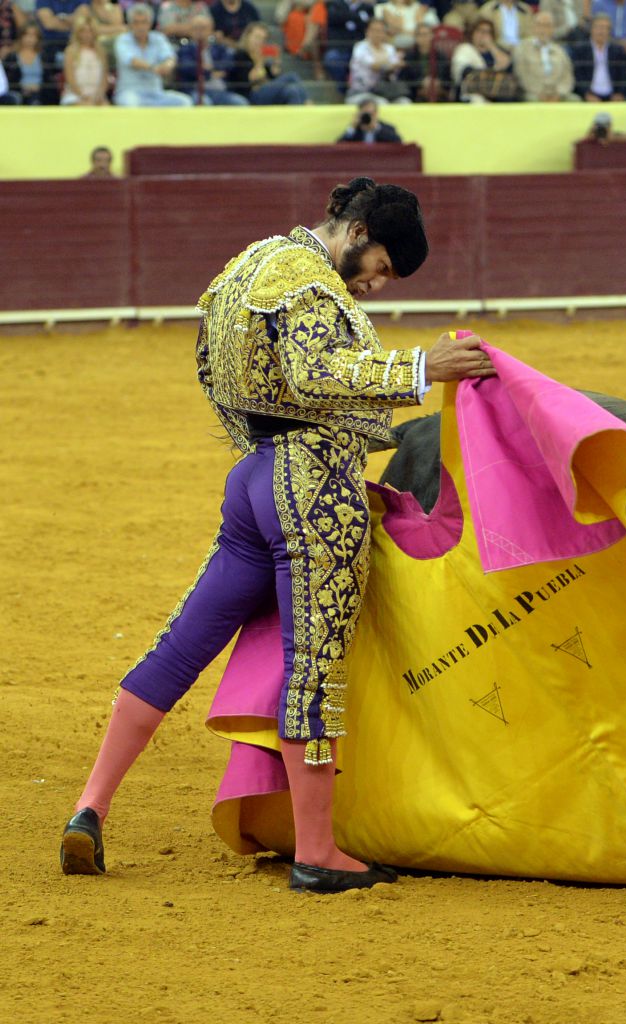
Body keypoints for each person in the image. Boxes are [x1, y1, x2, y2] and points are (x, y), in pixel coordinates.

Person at [59, 177, 496, 894]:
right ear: (357, 231)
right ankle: (318, 851)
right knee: (314, 664)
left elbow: (214, 368)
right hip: (311, 486)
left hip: (254, 477)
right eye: (382, 267)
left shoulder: (249, 265)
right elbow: (315, 370)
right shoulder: (311, 283)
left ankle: (89, 807)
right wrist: (422, 370)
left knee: (180, 646)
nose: (378, 286)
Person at [114, 3, 193, 105]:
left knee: (185, 102)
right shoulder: (123, 40)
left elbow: (170, 58)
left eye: (144, 22)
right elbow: (132, 61)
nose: (140, 27)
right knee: (131, 103)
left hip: (156, 93)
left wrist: (167, 66)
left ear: (150, 24)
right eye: (136, 23)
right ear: (130, 24)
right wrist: (154, 68)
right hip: (130, 92)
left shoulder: (158, 38)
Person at [176, 12, 248, 104]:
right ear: (190, 31)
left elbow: (229, 64)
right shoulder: (185, 50)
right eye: (195, 28)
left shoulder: (220, 48)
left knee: (240, 102)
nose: (199, 31)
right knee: (204, 103)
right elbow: (188, 68)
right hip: (197, 91)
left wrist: (207, 69)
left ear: (211, 30)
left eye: (203, 28)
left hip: (221, 90)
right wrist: (210, 73)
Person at [228, 20, 307, 103]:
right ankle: (309, 104)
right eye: (257, 37)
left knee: (292, 90)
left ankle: (298, 115)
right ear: (247, 36)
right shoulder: (240, 55)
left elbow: (273, 78)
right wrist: (259, 62)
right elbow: (249, 80)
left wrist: (276, 62)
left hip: (266, 91)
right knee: (292, 77)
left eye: (263, 39)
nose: (259, 42)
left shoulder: (261, 56)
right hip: (250, 95)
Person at [513, 9, 577, 101]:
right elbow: (522, 76)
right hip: (534, 93)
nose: (543, 29)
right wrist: (540, 93)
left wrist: (559, 93)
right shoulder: (522, 49)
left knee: (575, 100)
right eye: (540, 25)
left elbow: (568, 77)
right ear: (533, 27)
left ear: (553, 29)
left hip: (558, 94)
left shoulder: (560, 51)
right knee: (532, 100)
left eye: (547, 26)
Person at [451, 16, 517, 101]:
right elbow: (466, 72)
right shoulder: (465, 49)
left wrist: (492, 47)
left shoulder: (496, 51)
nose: (483, 35)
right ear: (473, 33)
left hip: (496, 95)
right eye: (480, 31)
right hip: (471, 93)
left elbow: (507, 67)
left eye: (487, 32)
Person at [346, 17, 407, 102]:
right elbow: (374, 66)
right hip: (361, 92)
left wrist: (391, 64)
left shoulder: (389, 48)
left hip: (386, 91)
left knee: (404, 102)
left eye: (380, 30)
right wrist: (390, 64)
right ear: (367, 31)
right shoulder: (360, 47)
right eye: (374, 30)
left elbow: (398, 65)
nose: (377, 34)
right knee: (381, 103)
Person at [571, 13, 626, 101]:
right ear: (591, 29)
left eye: (605, 28)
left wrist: (620, 94)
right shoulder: (581, 50)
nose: (601, 31)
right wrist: (586, 94)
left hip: (612, 96)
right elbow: (578, 76)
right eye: (598, 27)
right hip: (588, 96)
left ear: (609, 31)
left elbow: (623, 75)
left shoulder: (617, 51)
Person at [323, 0, 374, 87]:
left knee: (370, 61)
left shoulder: (367, 7)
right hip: (340, 47)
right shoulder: (335, 4)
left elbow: (369, 25)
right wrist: (358, 16)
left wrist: (345, 15)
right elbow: (334, 17)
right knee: (332, 58)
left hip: (360, 47)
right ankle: (344, 86)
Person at [3, 21, 57, 102]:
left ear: (38, 38)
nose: (29, 39)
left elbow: (49, 80)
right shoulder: (11, 57)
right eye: (26, 35)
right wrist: (23, 89)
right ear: (21, 36)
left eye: (33, 35)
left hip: (41, 94)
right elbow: (7, 81)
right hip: (19, 94)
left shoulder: (45, 57)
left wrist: (39, 88)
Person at [60, 14, 109, 103]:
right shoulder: (70, 51)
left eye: (90, 31)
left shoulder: (101, 51)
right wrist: (83, 96)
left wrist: (99, 95)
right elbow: (70, 79)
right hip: (75, 95)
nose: (87, 34)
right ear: (77, 32)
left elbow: (104, 79)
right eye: (83, 31)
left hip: (97, 96)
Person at [397, 20, 449, 100]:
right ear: (416, 37)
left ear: (432, 35)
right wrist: (421, 82)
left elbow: (447, 77)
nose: (423, 38)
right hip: (415, 94)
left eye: (426, 34)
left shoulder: (441, 56)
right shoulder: (409, 57)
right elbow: (404, 79)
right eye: (420, 35)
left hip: (438, 94)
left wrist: (438, 82)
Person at [337, 95, 402, 137]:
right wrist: (352, 128)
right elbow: (339, 147)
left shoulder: (387, 129)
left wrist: (376, 128)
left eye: (371, 114)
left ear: (376, 114)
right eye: (365, 114)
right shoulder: (356, 130)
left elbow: (398, 144)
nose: (368, 117)